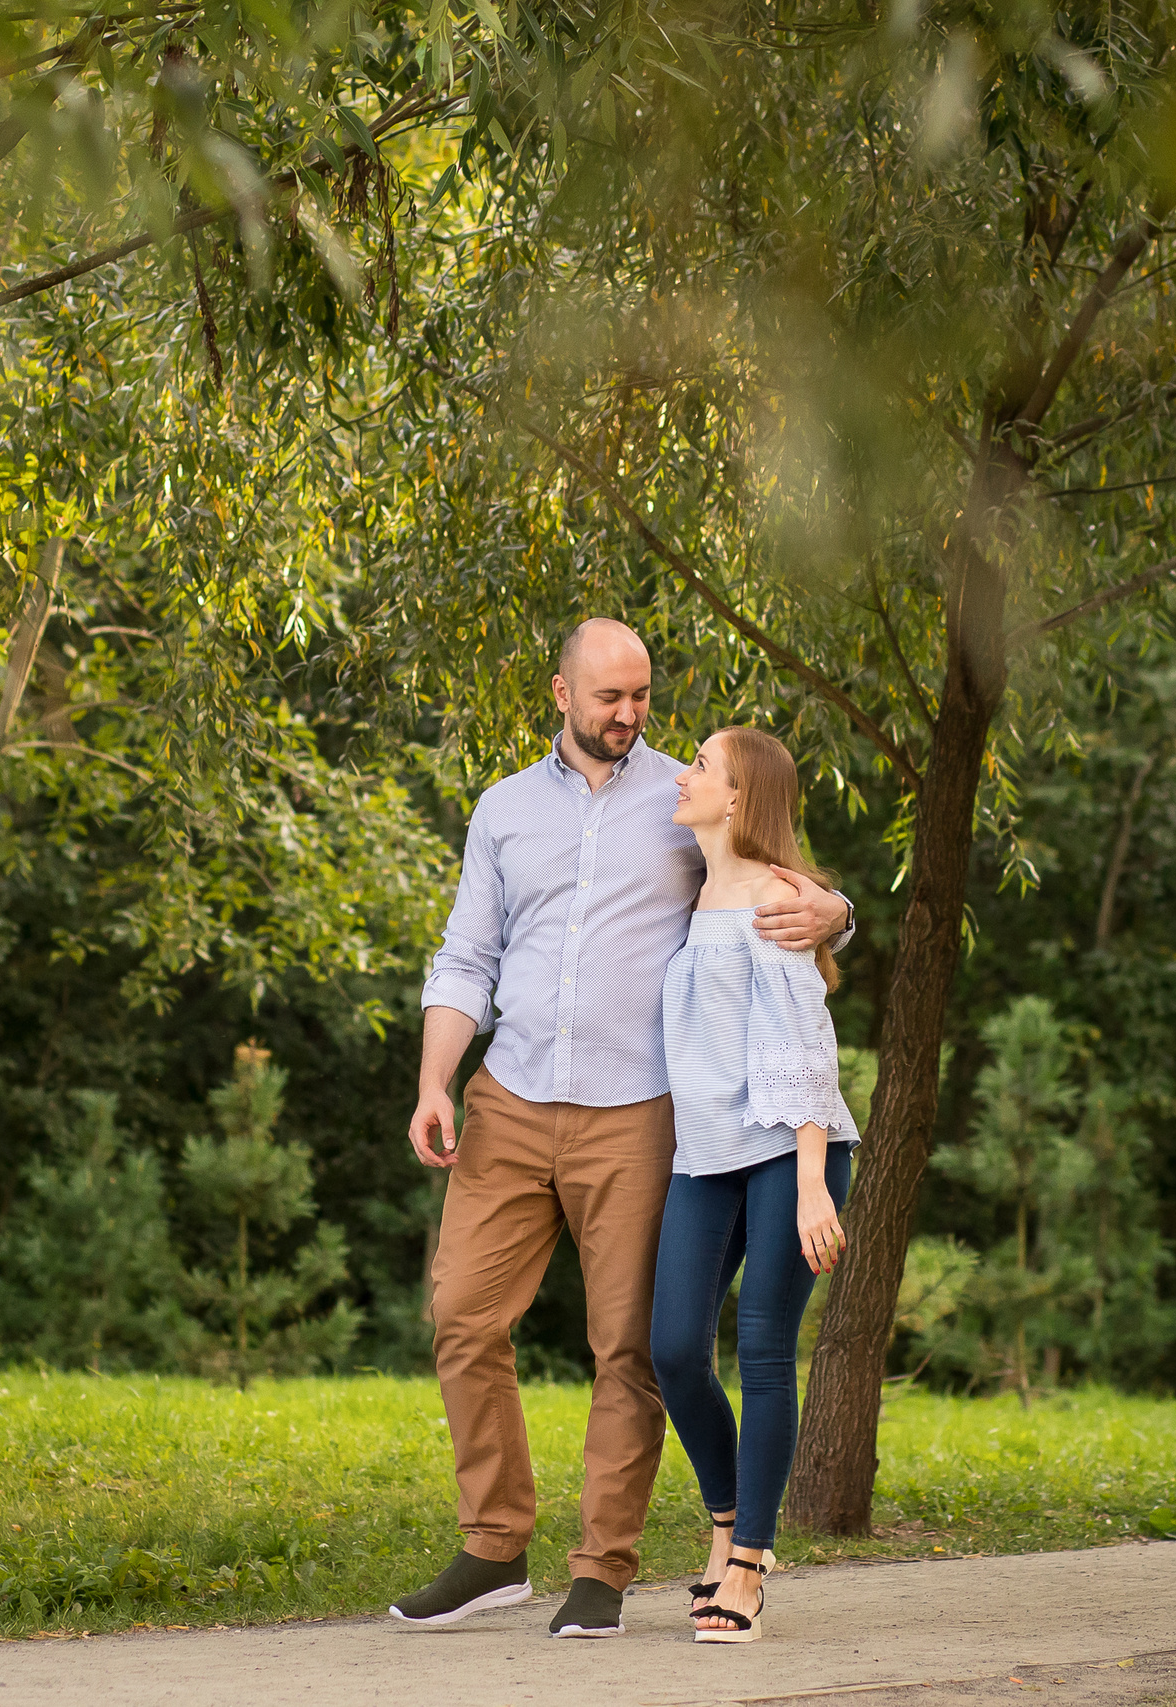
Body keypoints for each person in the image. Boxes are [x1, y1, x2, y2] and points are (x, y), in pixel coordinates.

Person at [388, 619, 853, 1640]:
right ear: (560, 693)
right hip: (508, 1097)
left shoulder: (681, 799)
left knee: (629, 1349)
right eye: (608, 697)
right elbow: (466, 956)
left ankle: (601, 1568)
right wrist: (436, 1078)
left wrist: (837, 910)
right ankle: (491, 1546)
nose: (629, 715)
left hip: (638, 1113)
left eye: (641, 695)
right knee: (463, 1318)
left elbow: (779, 877)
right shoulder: (503, 810)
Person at [649, 727, 861, 1645]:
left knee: (766, 1350)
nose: (682, 773)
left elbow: (805, 1053)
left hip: (789, 1149)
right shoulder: (694, 894)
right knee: (672, 1350)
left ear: (738, 799)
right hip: (705, 1152)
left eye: (700, 764)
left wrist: (814, 1184)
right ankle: (728, 1514)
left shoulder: (780, 902)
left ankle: (749, 1563)